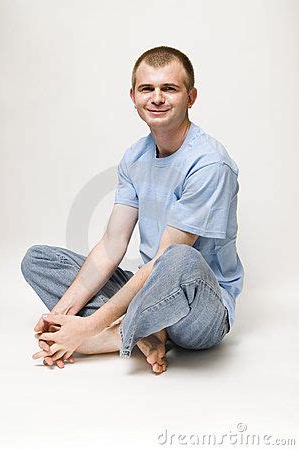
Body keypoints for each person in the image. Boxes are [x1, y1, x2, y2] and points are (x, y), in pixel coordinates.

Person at [21, 46, 244, 374]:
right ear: (133, 96)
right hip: (152, 287)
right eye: (147, 88)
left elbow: (165, 262)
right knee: (37, 260)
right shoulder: (135, 157)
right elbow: (112, 246)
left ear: (191, 97)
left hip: (201, 309)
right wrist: (61, 319)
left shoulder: (209, 163)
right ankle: (148, 331)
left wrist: (88, 328)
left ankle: (117, 334)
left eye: (169, 88)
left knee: (178, 259)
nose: (157, 97)